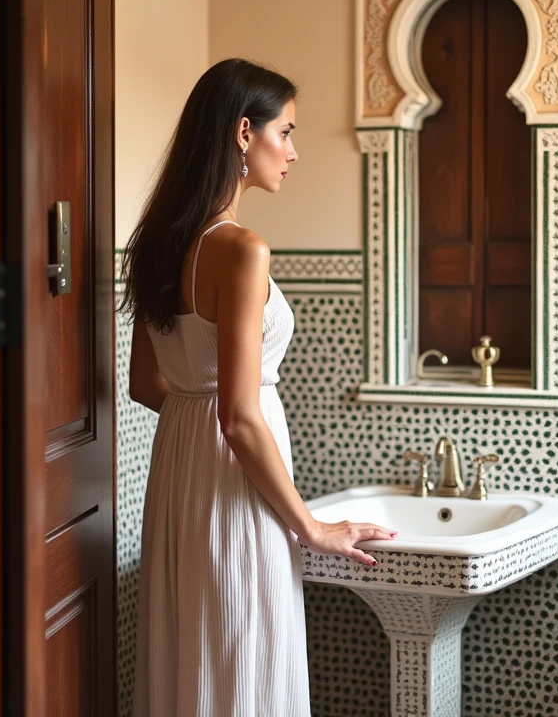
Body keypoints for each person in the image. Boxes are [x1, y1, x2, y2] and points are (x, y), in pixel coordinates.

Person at [122, 58, 397, 716]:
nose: (294, 152)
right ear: (245, 132)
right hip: (238, 486)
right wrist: (311, 526)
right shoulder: (243, 250)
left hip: (182, 478)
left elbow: (144, 384)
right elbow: (242, 418)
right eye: (287, 132)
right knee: (244, 652)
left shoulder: (157, 243)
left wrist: (198, 423)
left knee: (193, 650)